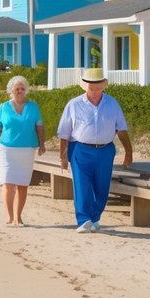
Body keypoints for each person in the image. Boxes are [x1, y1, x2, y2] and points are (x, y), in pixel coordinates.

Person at [56, 68, 134, 233]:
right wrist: (62, 157)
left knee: (102, 187)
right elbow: (64, 133)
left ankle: (95, 217)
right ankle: (84, 219)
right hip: (79, 149)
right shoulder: (74, 105)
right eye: (91, 88)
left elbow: (121, 129)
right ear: (85, 87)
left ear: (103, 86)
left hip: (105, 150)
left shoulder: (112, 104)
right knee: (81, 185)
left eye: (98, 88)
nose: (95, 92)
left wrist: (129, 152)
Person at [0, 75, 45, 226]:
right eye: (17, 89)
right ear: (11, 90)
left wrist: (42, 144)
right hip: (6, 149)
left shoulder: (33, 107)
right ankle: (9, 216)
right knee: (7, 182)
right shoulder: (3, 107)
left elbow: (40, 126)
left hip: (27, 150)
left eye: (22, 88)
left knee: (22, 184)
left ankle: (18, 217)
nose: (20, 91)